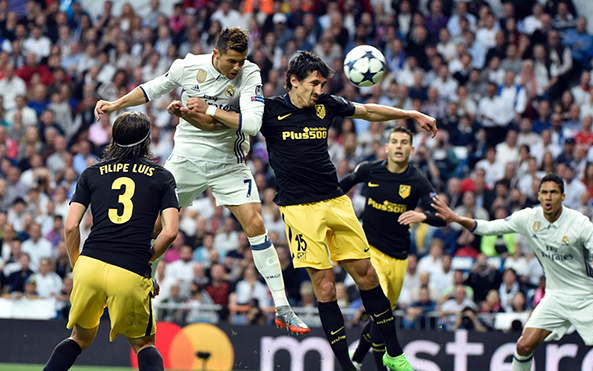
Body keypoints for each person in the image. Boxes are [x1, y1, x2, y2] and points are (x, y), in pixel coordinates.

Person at [189, 51, 434, 371]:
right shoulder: (270, 109)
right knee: (326, 287)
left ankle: (394, 352)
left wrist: (410, 113)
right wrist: (202, 109)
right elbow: (236, 121)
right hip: (299, 210)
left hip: (335, 202)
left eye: (322, 84)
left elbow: (368, 112)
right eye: (314, 83)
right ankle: (347, 367)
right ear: (294, 81)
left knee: (367, 275)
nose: (319, 89)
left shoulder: (327, 105)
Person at [93, 27, 307, 334]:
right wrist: (116, 104)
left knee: (257, 225)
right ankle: (147, 278)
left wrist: (208, 109)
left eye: (241, 60)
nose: (237, 67)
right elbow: (152, 88)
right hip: (186, 160)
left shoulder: (250, 73)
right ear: (216, 54)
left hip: (228, 164)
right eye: (232, 60)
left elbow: (253, 123)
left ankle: (283, 307)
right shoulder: (188, 66)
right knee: (155, 225)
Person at [432, 173, 593, 371]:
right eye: (544, 192)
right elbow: (489, 227)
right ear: (538, 196)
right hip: (556, 296)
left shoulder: (580, 223)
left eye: (554, 192)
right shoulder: (528, 218)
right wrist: (456, 218)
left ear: (563, 197)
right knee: (524, 345)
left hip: (589, 296)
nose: (548, 197)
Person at [43, 111, 180, 371]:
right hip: (129, 270)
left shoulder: (92, 173)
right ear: (147, 140)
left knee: (79, 338)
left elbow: (71, 225)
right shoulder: (162, 177)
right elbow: (170, 231)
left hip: (90, 265)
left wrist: (77, 265)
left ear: (113, 138)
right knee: (144, 344)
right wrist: (146, 260)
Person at [339, 126, 446, 371]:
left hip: (398, 258)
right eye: (394, 142)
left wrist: (423, 216)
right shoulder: (369, 169)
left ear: (411, 149)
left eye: (404, 142)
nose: (399, 146)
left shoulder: (417, 179)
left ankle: (356, 360)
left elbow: (443, 216)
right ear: (387, 148)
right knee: (380, 307)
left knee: (381, 316)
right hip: (370, 252)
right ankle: (388, 360)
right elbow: (340, 187)